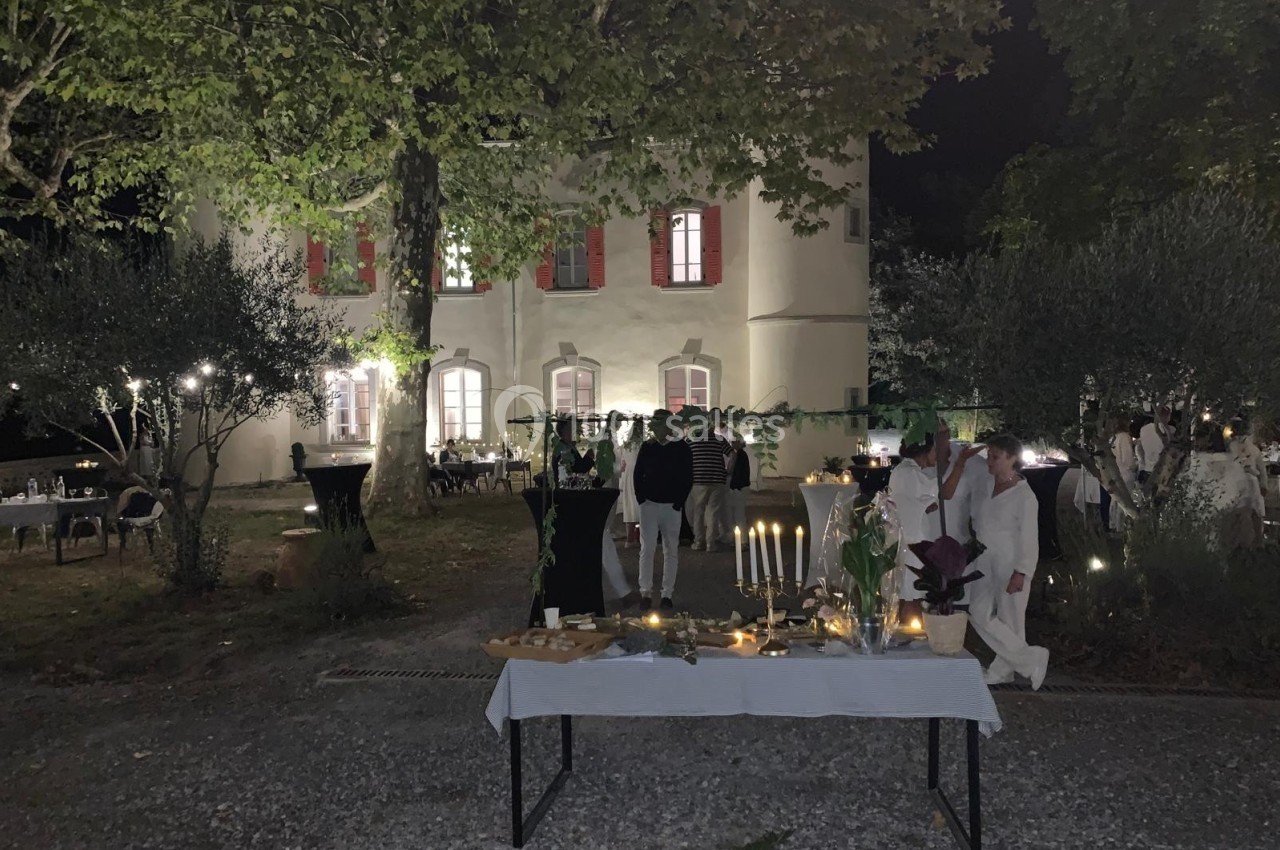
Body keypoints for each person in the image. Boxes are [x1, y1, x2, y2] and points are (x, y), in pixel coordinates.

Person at [967, 434, 1050, 689]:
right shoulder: (985, 486)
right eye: (988, 455)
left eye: (995, 456)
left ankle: (1002, 671)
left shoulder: (1025, 497)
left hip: (1010, 561)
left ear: (1012, 458)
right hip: (983, 559)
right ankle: (1030, 658)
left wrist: (1022, 571)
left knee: (1010, 619)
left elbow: (1029, 538)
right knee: (977, 611)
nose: (989, 461)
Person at [633, 409, 693, 610]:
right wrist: (642, 499)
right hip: (649, 504)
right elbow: (637, 474)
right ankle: (646, 592)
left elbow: (687, 477)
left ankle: (667, 593)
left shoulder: (681, 448)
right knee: (647, 548)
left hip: (671, 506)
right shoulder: (648, 447)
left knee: (670, 549)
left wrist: (678, 502)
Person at [1185, 423, 1264, 549]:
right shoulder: (1233, 462)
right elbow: (1245, 494)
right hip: (1229, 521)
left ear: (1209, 441)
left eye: (1199, 438)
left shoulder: (1199, 463)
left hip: (1206, 519)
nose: (1196, 442)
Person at [686, 419, 731, 551]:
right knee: (713, 512)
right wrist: (728, 470)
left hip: (698, 480)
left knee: (698, 512)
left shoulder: (691, 440)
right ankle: (711, 543)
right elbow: (732, 454)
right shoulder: (719, 439)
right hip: (717, 480)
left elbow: (685, 457)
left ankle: (699, 542)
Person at [725, 436, 751, 546]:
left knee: (738, 515)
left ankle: (743, 540)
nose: (731, 444)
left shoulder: (739, 455)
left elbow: (736, 472)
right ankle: (739, 538)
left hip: (737, 488)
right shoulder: (741, 454)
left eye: (733, 442)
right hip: (740, 487)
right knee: (737, 514)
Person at [1136, 406, 1170, 483]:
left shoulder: (1144, 429)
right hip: (1162, 469)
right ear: (1167, 416)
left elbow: (1140, 448)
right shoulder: (1169, 430)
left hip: (1148, 468)